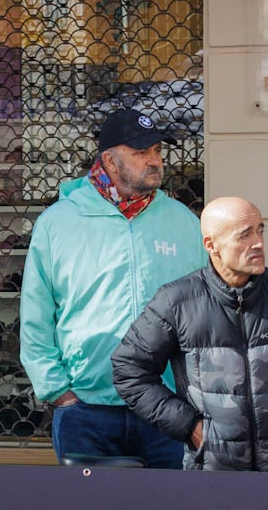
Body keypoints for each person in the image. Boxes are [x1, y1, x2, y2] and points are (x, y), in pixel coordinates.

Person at [20, 107, 204, 469]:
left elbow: (205, 309)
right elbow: (35, 316)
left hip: (168, 407)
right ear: (109, 160)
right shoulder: (59, 223)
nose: (154, 161)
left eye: (157, 151)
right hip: (86, 410)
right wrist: (59, 392)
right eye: (141, 153)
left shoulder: (183, 222)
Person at [110, 196, 268, 471]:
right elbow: (129, 369)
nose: (258, 243)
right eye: (244, 235)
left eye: (260, 230)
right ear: (211, 245)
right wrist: (191, 428)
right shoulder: (176, 302)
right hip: (211, 474)